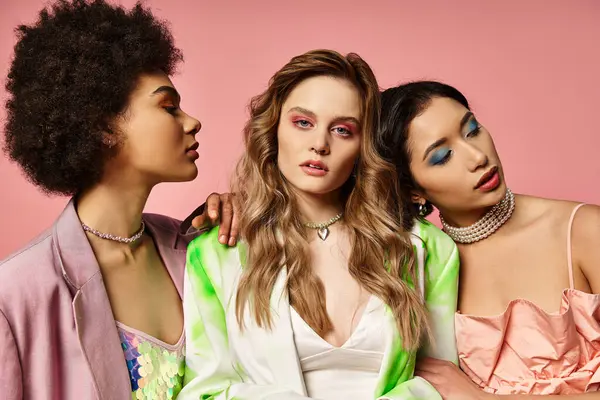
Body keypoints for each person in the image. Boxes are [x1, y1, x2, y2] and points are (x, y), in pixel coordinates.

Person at [179, 50, 459, 400]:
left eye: (342, 130)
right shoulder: (215, 254)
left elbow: (444, 383)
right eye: (303, 123)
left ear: (363, 146)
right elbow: (202, 392)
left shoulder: (426, 248)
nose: (320, 144)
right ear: (273, 130)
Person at [0, 1, 232, 398]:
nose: (192, 121)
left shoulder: (196, 248)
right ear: (104, 125)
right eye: (168, 107)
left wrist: (249, 213)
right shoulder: (16, 294)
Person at [378, 81, 600, 399]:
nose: (477, 156)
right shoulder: (422, 270)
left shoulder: (584, 230)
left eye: (472, 129)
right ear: (413, 191)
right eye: (442, 156)